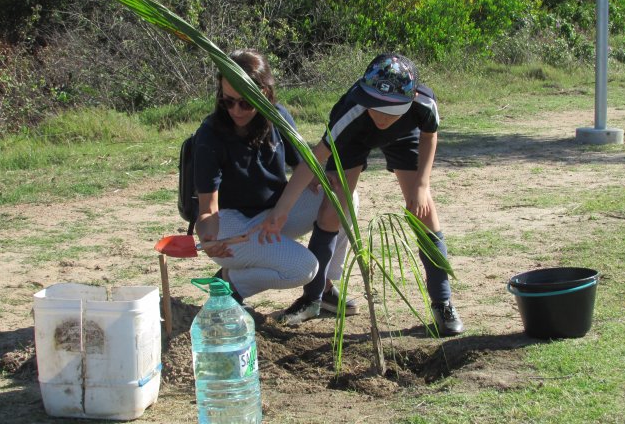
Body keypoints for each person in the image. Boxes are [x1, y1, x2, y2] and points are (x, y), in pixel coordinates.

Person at [259, 52, 464, 335]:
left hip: (404, 135)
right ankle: (313, 298)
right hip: (355, 139)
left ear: (409, 98)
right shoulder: (352, 111)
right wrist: (282, 210)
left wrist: (422, 185)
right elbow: (313, 159)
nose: (380, 115)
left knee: (424, 210)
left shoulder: (423, 103)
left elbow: (430, 135)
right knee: (332, 211)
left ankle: (442, 302)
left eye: (389, 109)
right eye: (375, 106)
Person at [192, 49, 358, 324]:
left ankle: (324, 287)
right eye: (227, 102)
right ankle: (231, 286)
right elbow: (207, 211)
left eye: (245, 103)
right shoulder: (210, 135)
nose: (235, 111)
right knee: (304, 268)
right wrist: (210, 242)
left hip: (273, 216)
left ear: (265, 94)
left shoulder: (278, 117)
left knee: (344, 195)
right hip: (233, 226)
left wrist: (323, 177)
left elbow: (304, 167)